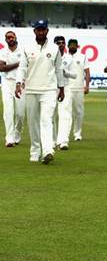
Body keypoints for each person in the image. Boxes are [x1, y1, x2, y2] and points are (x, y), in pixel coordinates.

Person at [15, 20, 64, 164]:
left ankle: (48, 150)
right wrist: (18, 83)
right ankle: (35, 150)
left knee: (46, 119)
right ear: (34, 31)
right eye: (38, 29)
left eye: (43, 30)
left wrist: (61, 88)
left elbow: (59, 69)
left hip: (49, 89)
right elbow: (22, 68)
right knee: (33, 122)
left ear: (47, 31)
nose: (41, 32)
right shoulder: (27, 48)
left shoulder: (55, 49)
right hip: (30, 89)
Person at [56, 39, 90, 148]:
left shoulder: (82, 56)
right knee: (67, 112)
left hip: (79, 87)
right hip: (67, 88)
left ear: (77, 46)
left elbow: (87, 71)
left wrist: (87, 85)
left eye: (74, 45)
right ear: (68, 46)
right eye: (70, 45)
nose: (72, 46)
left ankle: (77, 133)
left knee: (79, 111)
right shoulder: (64, 57)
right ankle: (64, 136)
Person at [0, 30, 25, 147]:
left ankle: (17, 134)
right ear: (6, 40)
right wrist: (18, 64)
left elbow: (26, 67)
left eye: (12, 37)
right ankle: (9, 138)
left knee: (20, 114)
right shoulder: (3, 52)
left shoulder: (23, 51)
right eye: (8, 38)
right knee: (8, 112)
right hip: (7, 83)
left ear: (15, 38)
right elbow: (2, 68)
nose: (10, 39)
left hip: (20, 84)